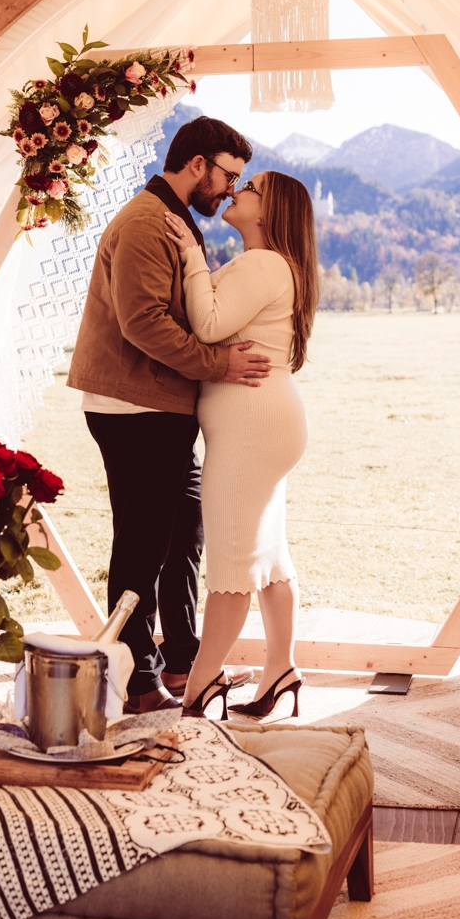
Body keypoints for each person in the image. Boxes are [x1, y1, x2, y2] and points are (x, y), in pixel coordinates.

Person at [68, 116, 269, 713]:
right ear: (198, 163)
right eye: (229, 176)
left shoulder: (173, 221)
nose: (231, 190)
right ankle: (133, 680)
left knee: (184, 536)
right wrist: (219, 364)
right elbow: (144, 322)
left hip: (161, 403)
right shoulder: (146, 223)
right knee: (143, 544)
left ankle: (183, 661)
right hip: (134, 406)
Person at [164, 170, 319, 720]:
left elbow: (207, 325)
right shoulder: (268, 264)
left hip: (252, 430)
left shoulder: (262, 264)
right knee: (269, 556)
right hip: (264, 423)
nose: (235, 191)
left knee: (232, 561)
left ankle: (200, 689)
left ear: (270, 210)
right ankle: (281, 671)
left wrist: (191, 259)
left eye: (248, 188)